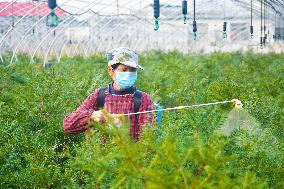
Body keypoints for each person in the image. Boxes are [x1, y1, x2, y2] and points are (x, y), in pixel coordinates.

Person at [63, 47, 154, 141]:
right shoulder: (100, 95)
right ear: (111, 71)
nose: (128, 74)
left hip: (130, 154)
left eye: (132, 70)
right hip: (100, 154)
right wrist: (91, 116)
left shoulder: (142, 99)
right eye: (124, 70)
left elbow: (147, 138)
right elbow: (68, 125)